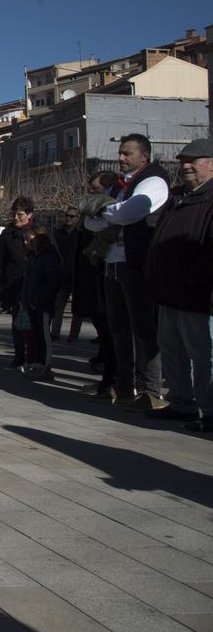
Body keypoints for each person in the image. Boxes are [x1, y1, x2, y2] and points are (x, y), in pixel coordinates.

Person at [144, 138, 213, 432]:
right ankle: (181, 403)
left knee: (203, 354)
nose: (185, 166)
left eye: (193, 161)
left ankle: (209, 410)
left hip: (196, 294)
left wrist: (194, 277)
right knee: (172, 350)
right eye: (182, 160)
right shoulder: (178, 198)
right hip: (169, 292)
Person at [98, 133, 169, 411]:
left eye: (127, 153)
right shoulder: (119, 186)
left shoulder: (153, 180)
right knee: (118, 328)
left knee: (143, 328)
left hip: (136, 263)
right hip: (112, 262)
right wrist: (109, 210)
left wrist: (107, 210)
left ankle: (151, 390)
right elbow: (92, 221)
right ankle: (124, 385)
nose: (120, 158)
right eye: (120, 152)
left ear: (144, 156)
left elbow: (131, 212)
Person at [78, 171, 122, 402]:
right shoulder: (93, 217)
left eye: (94, 190)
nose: (90, 194)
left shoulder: (112, 212)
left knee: (112, 331)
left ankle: (115, 381)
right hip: (93, 276)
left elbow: (97, 225)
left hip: (106, 274)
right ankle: (108, 378)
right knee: (103, 331)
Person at [0, 197, 34, 369]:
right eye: (14, 214)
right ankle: (19, 355)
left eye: (20, 215)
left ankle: (34, 358)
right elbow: (1, 260)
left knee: (33, 325)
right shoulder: (7, 233)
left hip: (33, 285)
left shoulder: (37, 231)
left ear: (29, 214)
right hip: (13, 286)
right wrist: (2, 284)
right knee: (18, 323)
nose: (16, 218)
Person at [21, 225, 62, 381]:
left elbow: (53, 280)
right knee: (36, 334)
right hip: (33, 302)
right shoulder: (34, 256)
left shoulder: (48, 256)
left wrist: (40, 297)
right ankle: (38, 363)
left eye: (30, 239)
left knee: (44, 335)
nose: (27, 243)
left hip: (43, 303)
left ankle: (46, 365)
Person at [52, 207, 83, 341]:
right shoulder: (59, 233)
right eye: (67, 216)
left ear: (78, 218)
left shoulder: (81, 234)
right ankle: (55, 333)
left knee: (77, 307)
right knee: (58, 304)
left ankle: (74, 334)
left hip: (78, 273)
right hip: (62, 273)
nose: (68, 219)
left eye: (72, 216)